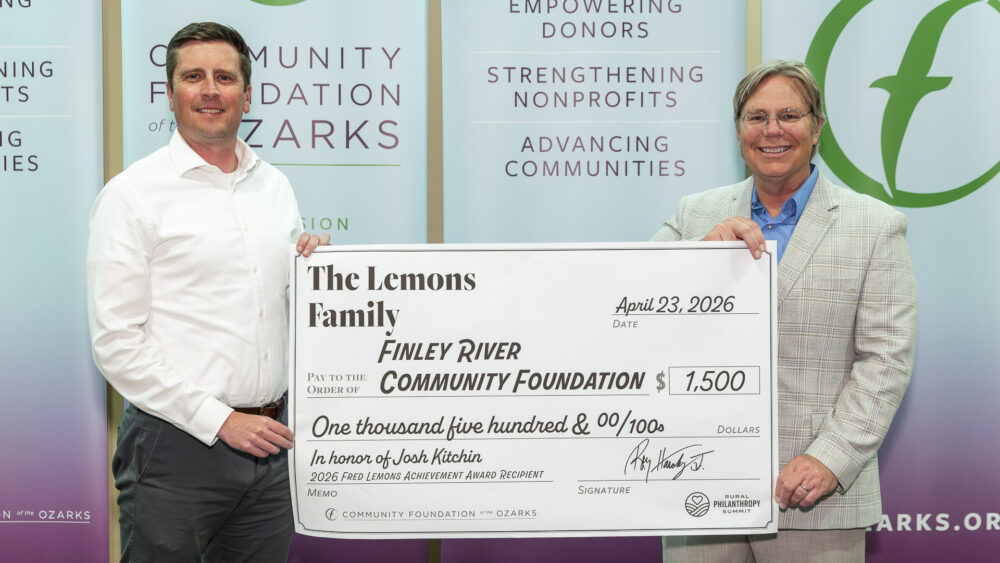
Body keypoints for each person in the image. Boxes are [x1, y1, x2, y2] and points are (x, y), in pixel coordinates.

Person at [653, 60, 917, 561]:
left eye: (789, 115)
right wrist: (696, 260)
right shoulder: (695, 215)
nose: (772, 130)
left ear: (817, 128)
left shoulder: (875, 227)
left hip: (816, 498)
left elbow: (886, 361)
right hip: (700, 484)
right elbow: (626, 307)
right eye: (756, 117)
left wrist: (829, 459)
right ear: (738, 132)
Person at [87, 22, 328, 562]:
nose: (210, 89)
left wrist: (316, 265)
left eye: (225, 76)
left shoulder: (275, 186)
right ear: (170, 94)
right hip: (176, 446)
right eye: (193, 77)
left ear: (248, 92)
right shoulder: (131, 196)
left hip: (271, 443)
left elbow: (278, 303)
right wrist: (222, 421)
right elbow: (116, 343)